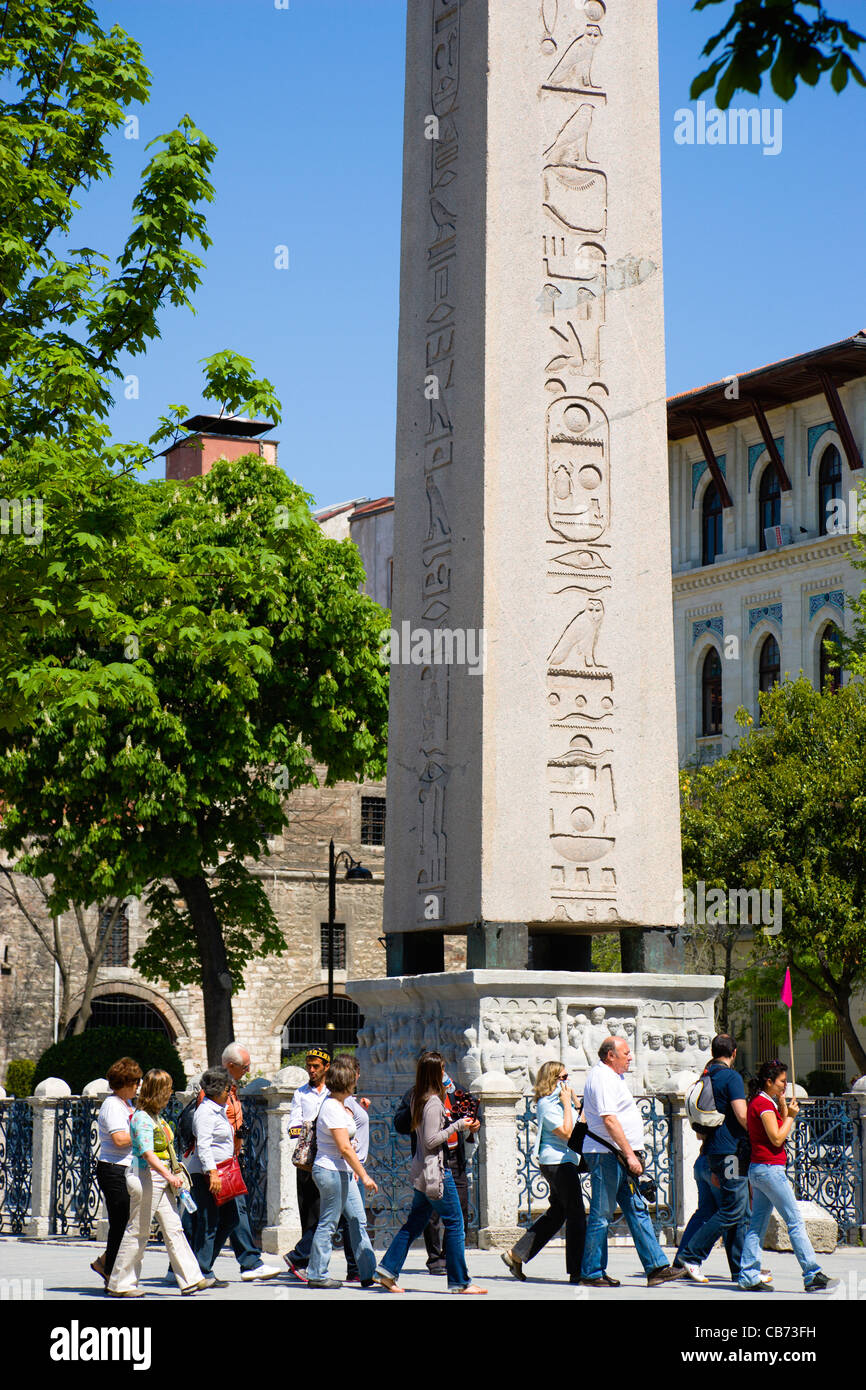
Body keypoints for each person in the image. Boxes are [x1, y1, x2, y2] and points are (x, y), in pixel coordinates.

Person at [377, 1053, 486, 1295]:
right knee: (456, 1224)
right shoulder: (434, 1102)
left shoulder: (418, 1096)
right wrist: (458, 1125)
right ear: (437, 1073)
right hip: (437, 1169)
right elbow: (430, 1140)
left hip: (422, 1170)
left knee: (414, 1223)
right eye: (443, 1069)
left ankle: (386, 1270)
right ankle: (460, 1282)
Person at [580, 1036, 683, 1288]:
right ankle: (591, 1271)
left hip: (618, 1155)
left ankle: (656, 1267)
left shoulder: (613, 1077)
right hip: (608, 1155)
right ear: (609, 1055)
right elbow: (609, 1120)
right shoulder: (602, 1077)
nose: (630, 1056)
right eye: (625, 1052)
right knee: (602, 1213)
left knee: (637, 1208)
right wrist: (629, 1154)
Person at [738, 1061, 839, 1294]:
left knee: (757, 1224)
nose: (785, 1085)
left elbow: (776, 1130)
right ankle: (811, 1273)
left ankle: (748, 1274)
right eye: (782, 1081)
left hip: (760, 1169)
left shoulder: (763, 1102)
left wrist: (784, 1108)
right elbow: (776, 1138)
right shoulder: (763, 1104)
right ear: (769, 1081)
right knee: (794, 1220)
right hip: (770, 1169)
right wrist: (792, 1117)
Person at [107, 1069, 206, 1297]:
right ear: (158, 1092)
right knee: (138, 1232)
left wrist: (172, 1172)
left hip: (159, 1179)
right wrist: (170, 1175)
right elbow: (147, 1154)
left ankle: (192, 1278)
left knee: (174, 1229)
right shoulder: (142, 1118)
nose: (171, 1093)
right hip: (146, 1178)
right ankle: (120, 1284)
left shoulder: (155, 1117)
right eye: (168, 1089)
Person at [501, 1060, 586, 1283]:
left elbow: (582, 1127)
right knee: (576, 1214)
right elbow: (568, 1133)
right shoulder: (547, 1104)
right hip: (557, 1163)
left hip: (567, 1161)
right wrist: (567, 1104)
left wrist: (576, 1104)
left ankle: (516, 1254)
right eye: (564, 1078)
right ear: (553, 1080)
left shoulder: (559, 1103)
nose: (568, 1082)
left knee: (558, 1213)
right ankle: (578, 1271)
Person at [676, 1033, 751, 1282]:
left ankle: (741, 1268)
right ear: (734, 1052)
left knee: (717, 1209)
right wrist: (759, 1130)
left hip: (709, 1152)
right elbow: (741, 1114)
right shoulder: (731, 1077)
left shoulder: (706, 1076)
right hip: (730, 1153)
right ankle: (692, 1255)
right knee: (735, 1209)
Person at [393, 1051, 475, 1275]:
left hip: (453, 1157)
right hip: (434, 1163)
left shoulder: (456, 1091)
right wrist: (418, 1112)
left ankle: (390, 1267)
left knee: (457, 1211)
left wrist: (472, 1124)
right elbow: (404, 1126)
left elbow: (471, 1112)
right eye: (441, 1068)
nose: (444, 1073)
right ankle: (444, 1265)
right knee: (438, 1218)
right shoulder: (418, 1097)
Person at [305, 1054, 379, 1289]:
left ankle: (368, 1273)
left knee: (358, 1219)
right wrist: (364, 1175)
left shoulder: (342, 1105)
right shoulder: (331, 1108)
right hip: (330, 1171)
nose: (355, 1083)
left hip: (343, 1171)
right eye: (352, 1081)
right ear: (346, 1083)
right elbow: (344, 1148)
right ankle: (317, 1274)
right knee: (328, 1222)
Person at [213, 1043, 278, 1281]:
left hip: (229, 1160)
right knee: (235, 1210)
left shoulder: (231, 1089)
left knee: (217, 1216)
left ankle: (191, 1266)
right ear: (230, 1066)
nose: (248, 1071)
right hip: (220, 1163)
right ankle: (250, 1262)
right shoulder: (214, 1090)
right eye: (245, 1066)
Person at [91, 1057, 142, 1284]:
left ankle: (106, 1263)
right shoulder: (112, 1105)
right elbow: (120, 1139)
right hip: (113, 1169)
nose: (138, 1086)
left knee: (126, 1222)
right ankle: (110, 1271)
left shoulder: (128, 1104)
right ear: (125, 1082)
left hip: (127, 1168)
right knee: (120, 1222)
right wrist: (143, 1136)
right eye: (135, 1082)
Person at [284, 1046, 330, 1281]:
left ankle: (304, 1258)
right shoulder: (301, 1093)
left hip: (330, 1158)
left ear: (326, 1068)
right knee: (309, 1211)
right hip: (308, 1160)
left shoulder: (333, 1093)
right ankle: (304, 1260)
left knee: (327, 1212)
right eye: (309, 1066)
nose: (311, 1070)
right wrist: (310, 1126)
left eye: (316, 1067)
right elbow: (293, 1124)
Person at [337, 1056, 370, 1284]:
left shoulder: (349, 1101)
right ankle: (360, 1268)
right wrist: (356, 1167)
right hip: (352, 1166)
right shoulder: (345, 1103)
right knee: (355, 1221)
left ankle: (305, 1260)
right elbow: (348, 1138)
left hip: (353, 1165)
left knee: (339, 1219)